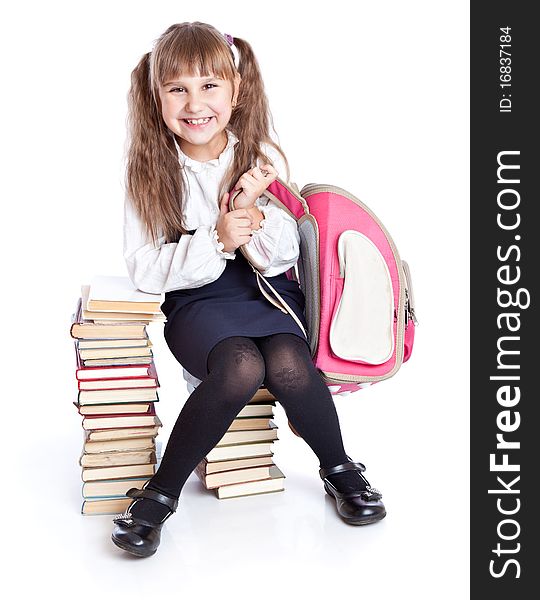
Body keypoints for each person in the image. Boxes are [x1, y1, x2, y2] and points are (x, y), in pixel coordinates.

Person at [112, 21, 385, 558]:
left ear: (235, 92)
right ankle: (160, 494)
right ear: (157, 95)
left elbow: (290, 252)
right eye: (178, 88)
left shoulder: (258, 159)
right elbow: (146, 269)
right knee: (241, 365)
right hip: (196, 301)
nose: (195, 103)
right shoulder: (149, 169)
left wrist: (253, 218)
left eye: (210, 86)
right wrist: (213, 239)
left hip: (265, 291)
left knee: (287, 357)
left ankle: (339, 467)